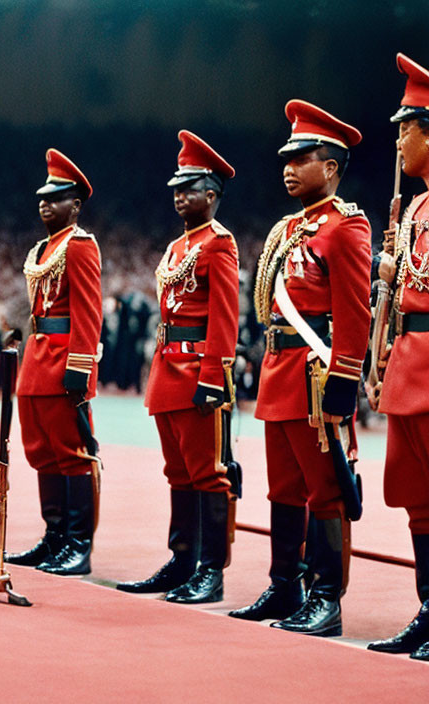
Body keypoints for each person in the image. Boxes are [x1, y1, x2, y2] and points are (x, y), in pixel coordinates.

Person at [228, 100, 371, 636]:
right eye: (286, 156)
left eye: (302, 156)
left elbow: (354, 311)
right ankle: (285, 584)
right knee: (282, 489)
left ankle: (326, 597)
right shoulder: (290, 226)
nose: (288, 166)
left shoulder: (345, 227)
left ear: (331, 166)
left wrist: (344, 380)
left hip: (316, 376)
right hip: (280, 368)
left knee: (325, 489)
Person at [117, 131, 239, 603]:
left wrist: (213, 375)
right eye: (176, 187)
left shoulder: (218, 244)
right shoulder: (176, 247)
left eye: (188, 187)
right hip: (169, 369)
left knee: (208, 472)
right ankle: (182, 557)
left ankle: (210, 570)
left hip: (197, 370)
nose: (178, 194)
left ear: (211, 194)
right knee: (178, 471)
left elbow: (224, 317)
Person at [5, 149, 102, 576]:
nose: (45, 203)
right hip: (38, 357)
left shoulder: (79, 246)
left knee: (73, 452)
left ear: (75, 206)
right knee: (42, 452)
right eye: (42, 197)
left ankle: (78, 545)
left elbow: (87, 309)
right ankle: (54, 536)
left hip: (64, 358)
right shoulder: (43, 249)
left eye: (56, 197)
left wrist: (81, 367)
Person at [366, 53, 429, 661]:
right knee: (418, 495)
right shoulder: (412, 208)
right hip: (410, 360)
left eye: (406, 128)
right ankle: (428, 607)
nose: (399, 141)